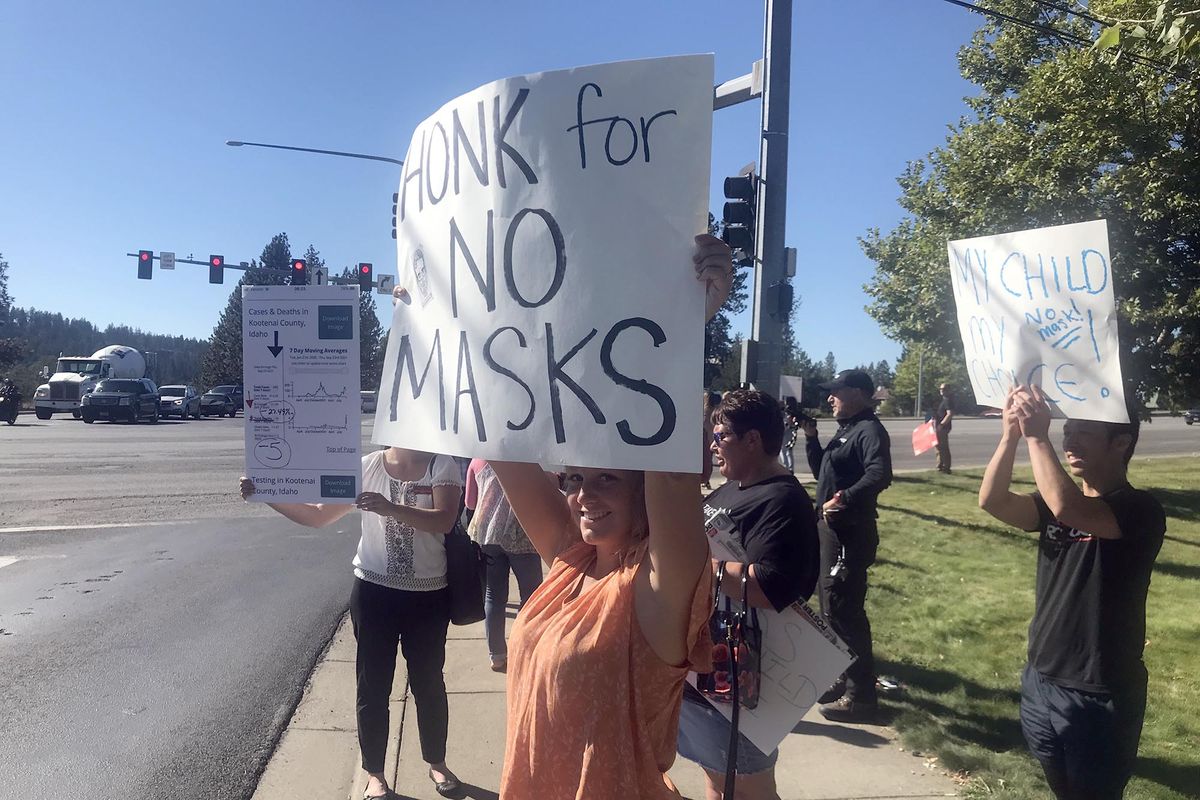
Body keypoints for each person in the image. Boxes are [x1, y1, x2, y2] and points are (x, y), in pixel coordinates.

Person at [481, 233, 733, 798]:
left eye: (609, 478)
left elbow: (670, 471)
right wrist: (447, 319)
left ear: (643, 488)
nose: (585, 494)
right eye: (576, 480)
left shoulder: (657, 590)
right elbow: (494, 433)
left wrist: (687, 325)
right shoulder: (568, 562)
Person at [239, 447, 465, 799]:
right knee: (372, 686)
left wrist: (389, 508)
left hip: (427, 596)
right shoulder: (365, 467)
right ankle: (375, 773)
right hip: (374, 593)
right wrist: (266, 494)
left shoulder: (440, 464)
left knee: (429, 683)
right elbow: (319, 516)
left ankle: (436, 761)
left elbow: (444, 519)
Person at [979, 385, 1164, 799]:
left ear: (1122, 443)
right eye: (1067, 430)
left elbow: (1070, 510)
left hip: (1099, 690)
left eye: (1084, 432)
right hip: (1041, 679)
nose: (1069, 440)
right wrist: (1010, 435)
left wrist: (1037, 437)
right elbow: (992, 501)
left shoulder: (1140, 509)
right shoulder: (1053, 503)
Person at [675, 388, 819, 800]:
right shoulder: (730, 490)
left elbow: (772, 586)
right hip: (709, 668)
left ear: (753, 439)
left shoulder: (782, 499)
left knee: (751, 789)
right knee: (718, 779)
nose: (713, 445)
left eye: (720, 436)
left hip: (741, 673)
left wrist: (699, 565)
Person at [802, 368, 893, 722]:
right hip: (831, 530)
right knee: (830, 609)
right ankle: (842, 676)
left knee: (844, 611)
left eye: (836, 391)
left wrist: (844, 498)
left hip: (850, 533)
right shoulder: (847, 431)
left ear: (858, 392)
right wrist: (811, 438)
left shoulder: (869, 430)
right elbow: (823, 471)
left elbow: (880, 473)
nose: (830, 397)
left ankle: (861, 697)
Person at [463, 458, 545, 673]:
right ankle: (524, 649)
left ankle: (497, 655)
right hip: (522, 533)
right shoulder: (525, 459)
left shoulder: (478, 461)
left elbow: (471, 503)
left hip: (489, 534)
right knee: (532, 596)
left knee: (493, 596)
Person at [701, 391, 721, 489]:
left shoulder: (704, 412)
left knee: (704, 460)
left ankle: (706, 480)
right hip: (713, 437)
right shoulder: (715, 412)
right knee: (708, 461)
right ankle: (707, 480)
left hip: (705, 438)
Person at [935, 383, 955, 473]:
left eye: (944, 389)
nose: (942, 390)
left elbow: (950, 414)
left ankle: (946, 467)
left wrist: (942, 425)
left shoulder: (948, 400)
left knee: (943, 447)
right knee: (938, 446)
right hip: (939, 427)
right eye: (941, 388)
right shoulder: (943, 400)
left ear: (948, 390)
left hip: (943, 428)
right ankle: (940, 465)